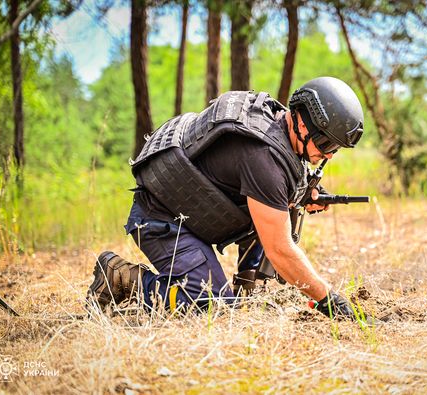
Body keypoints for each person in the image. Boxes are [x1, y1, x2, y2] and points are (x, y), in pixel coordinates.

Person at [86, 76, 364, 320]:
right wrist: (329, 301)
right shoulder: (263, 158)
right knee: (211, 306)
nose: (328, 155)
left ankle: (247, 290)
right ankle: (124, 279)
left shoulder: (276, 124)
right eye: (326, 143)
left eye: (336, 149)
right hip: (161, 219)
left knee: (278, 209)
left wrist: (303, 193)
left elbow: (270, 184)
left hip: (191, 211)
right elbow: (281, 251)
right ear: (302, 123)